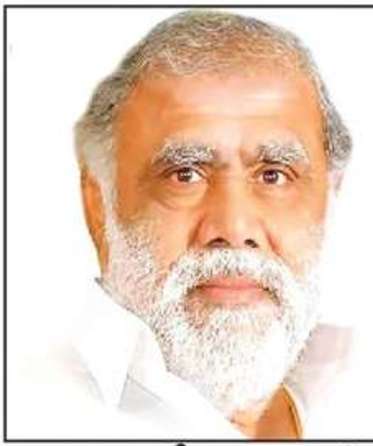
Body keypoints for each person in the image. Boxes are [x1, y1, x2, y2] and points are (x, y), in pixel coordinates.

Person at [12, 9, 354, 439]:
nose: (234, 227)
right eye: (185, 174)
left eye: (274, 175)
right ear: (99, 205)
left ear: (330, 195)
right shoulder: (29, 410)